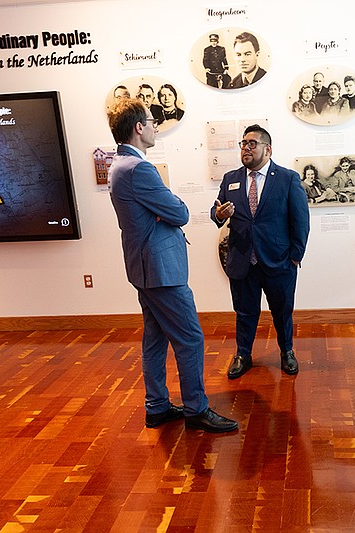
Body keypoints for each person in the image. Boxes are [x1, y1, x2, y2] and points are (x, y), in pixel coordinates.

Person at [106, 97, 237, 433]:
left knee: (154, 339)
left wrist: (165, 205)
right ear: (138, 128)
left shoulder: (119, 165)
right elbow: (179, 212)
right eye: (151, 121)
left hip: (145, 268)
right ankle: (196, 409)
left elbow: (162, 211)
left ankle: (157, 407)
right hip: (161, 270)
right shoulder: (139, 169)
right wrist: (172, 201)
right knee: (190, 338)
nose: (154, 127)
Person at [210, 124, 310, 379]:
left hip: (279, 261)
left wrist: (295, 256)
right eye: (243, 143)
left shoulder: (287, 178)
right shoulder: (230, 179)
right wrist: (219, 215)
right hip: (243, 260)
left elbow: (301, 221)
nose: (246, 148)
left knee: (282, 311)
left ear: (268, 149)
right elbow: (217, 211)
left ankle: (287, 352)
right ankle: (243, 355)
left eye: (252, 143)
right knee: (244, 312)